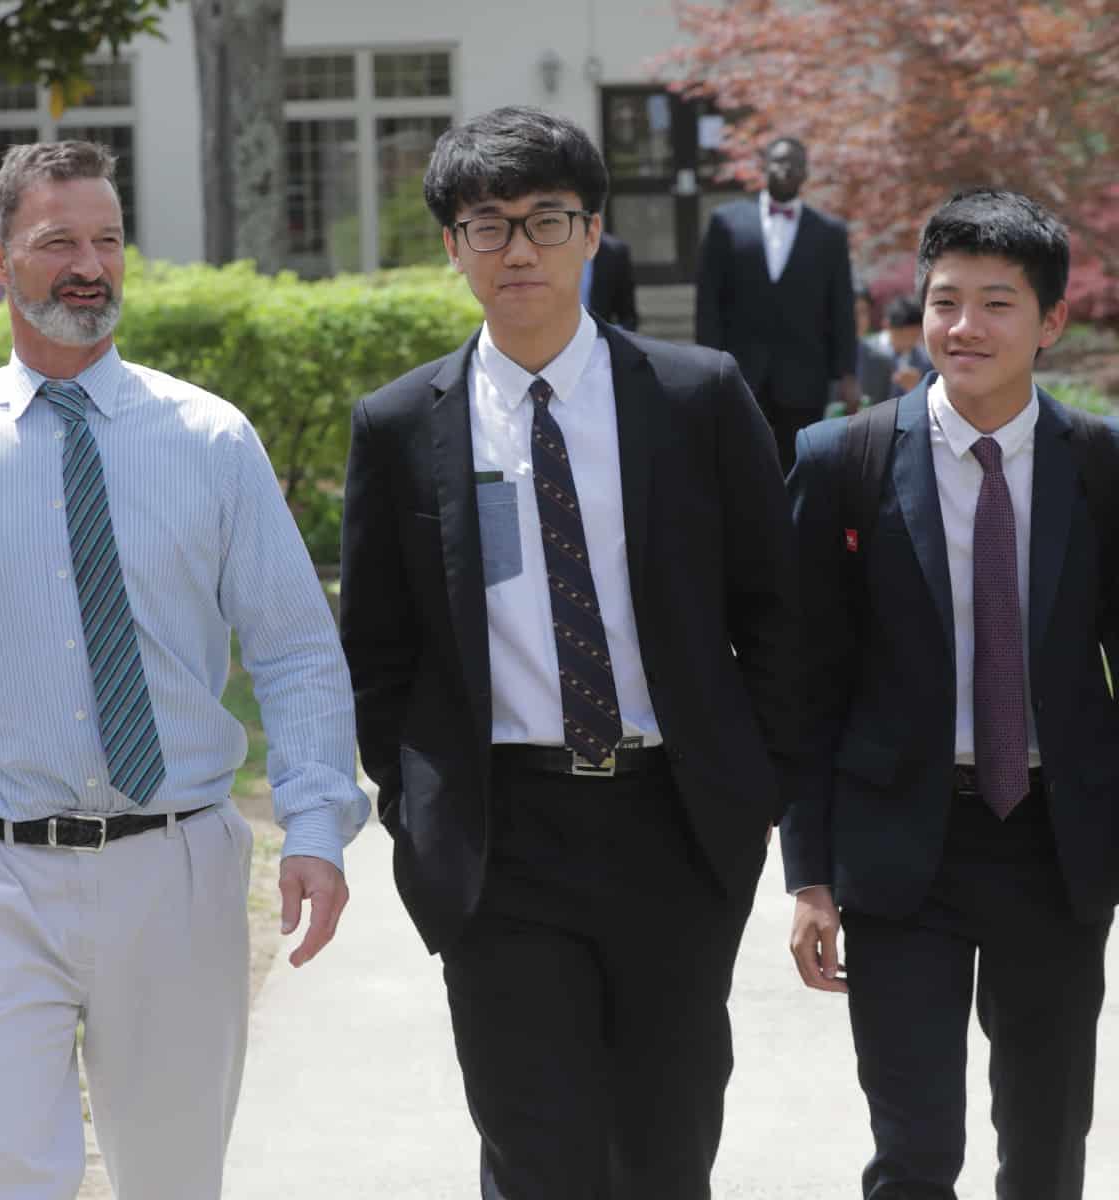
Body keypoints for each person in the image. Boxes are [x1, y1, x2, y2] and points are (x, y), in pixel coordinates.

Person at [340, 105, 800, 1200]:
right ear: (452, 246)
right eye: (485, 225)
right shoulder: (403, 425)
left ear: (595, 233)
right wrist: (418, 812)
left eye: (547, 220)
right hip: (504, 840)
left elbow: (776, 614)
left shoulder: (697, 397)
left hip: (672, 824)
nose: (519, 250)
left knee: (664, 1148)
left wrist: (753, 788)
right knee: (536, 1154)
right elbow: (380, 652)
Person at [0, 141, 368, 1199]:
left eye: (109, 240)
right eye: (58, 241)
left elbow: (296, 648)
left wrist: (314, 825)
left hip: (173, 871)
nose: (91, 265)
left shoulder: (211, 440)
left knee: (171, 1179)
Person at [784, 188, 1118, 1199]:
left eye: (997, 302)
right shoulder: (844, 458)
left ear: (1052, 321)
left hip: (1055, 850)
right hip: (900, 852)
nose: (964, 326)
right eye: (945, 300)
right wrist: (808, 873)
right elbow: (806, 678)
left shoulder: (1100, 464)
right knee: (917, 1151)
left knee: (1048, 1142)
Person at [695, 135, 858, 471]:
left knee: (801, 468)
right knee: (741, 465)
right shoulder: (726, 222)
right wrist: (707, 362)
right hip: (739, 372)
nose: (786, 169)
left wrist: (847, 371)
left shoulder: (829, 232)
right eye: (779, 161)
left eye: (795, 163)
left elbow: (841, 304)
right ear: (763, 167)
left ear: (806, 173)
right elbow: (709, 300)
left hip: (805, 374)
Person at [584, 228, 639, 329]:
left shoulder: (614, 252)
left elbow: (628, 317)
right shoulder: (549, 250)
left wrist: (609, 339)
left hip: (599, 338)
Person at [883, 293, 934, 396]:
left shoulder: (927, 360)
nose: (908, 342)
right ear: (887, 326)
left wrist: (916, 387)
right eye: (902, 336)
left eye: (913, 336)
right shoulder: (867, 351)